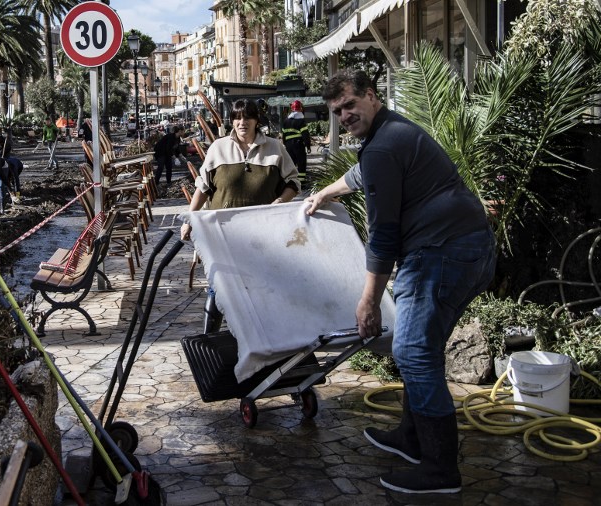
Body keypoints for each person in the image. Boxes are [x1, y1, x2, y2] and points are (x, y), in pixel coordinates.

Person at [305, 70, 495, 495]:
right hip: (468, 248)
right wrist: (327, 192)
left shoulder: (384, 145)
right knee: (421, 351)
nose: (345, 116)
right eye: (337, 112)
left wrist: (368, 300)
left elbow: (384, 234)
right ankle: (412, 440)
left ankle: (440, 469)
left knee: (411, 351)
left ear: (371, 96)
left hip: (443, 254)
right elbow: (362, 174)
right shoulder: (392, 131)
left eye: (350, 105)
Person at [181, 99, 300, 333]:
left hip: (263, 234)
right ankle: (210, 338)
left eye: (247, 117)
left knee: (261, 287)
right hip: (222, 233)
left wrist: (279, 202)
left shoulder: (275, 148)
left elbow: (294, 182)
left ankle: (264, 337)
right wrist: (190, 219)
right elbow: (203, 187)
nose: (242, 122)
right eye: (237, 117)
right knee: (219, 286)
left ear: (257, 120)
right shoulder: (219, 148)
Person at [282, 100, 311, 187]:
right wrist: (308, 145)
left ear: (292, 109)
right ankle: (301, 183)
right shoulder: (301, 120)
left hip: (288, 146)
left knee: (291, 164)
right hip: (298, 145)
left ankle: (291, 182)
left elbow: (284, 135)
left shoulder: (286, 121)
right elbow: (305, 134)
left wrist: (285, 144)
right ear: (300, 109)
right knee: (301, 163)